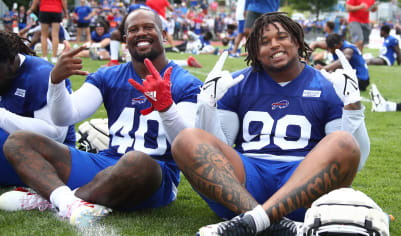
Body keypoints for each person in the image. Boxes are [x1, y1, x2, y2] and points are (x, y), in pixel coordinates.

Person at [171, 12, 370, 235]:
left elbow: (355, 157)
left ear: (296, 41)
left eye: (281, 37)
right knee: (186, 140)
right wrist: (207, 107)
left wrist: (353, 107)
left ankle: (250, 223)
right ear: (255, 52)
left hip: (302, 181)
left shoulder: (325, 83)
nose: (274, 45)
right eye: (264, 42)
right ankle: (272, 223)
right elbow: (219, 147)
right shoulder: (237, 82)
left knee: (343, 141)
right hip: (247, 181)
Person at [0, 8, 202, 226]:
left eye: (148, 27)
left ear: (163, 35)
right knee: (18, 141)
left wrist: (166, 106)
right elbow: (65, 116)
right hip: (107, 162)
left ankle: (61, 198)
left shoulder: (186, 83)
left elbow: (187, 143)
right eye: (134, 30)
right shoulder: (109, 75)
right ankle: (67, 201)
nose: (141, 33)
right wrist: (56, 84)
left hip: (154, 173)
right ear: (126, 40)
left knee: (137, 160)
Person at [0, 30, 75, 187]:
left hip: (49, 159)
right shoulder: (6, 74)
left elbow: (55, 135)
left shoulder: (41, 75)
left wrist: (2, 116)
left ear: (10, 60)